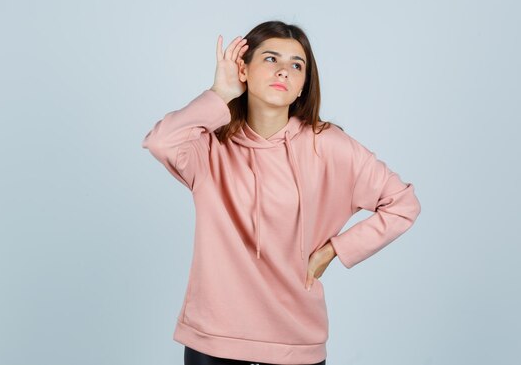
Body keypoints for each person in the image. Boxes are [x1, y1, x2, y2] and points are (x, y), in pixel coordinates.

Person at [141, 21, 422, 365]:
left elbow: (402, 204)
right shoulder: (208, 148)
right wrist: (219, 93)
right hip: (213, 342)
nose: (284, 72)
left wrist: (335, 250)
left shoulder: (329, 147)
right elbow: (160, 141)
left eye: (296, 65)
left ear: (304, 83)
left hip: (296, 342)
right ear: (244, 69)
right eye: (271, 59)